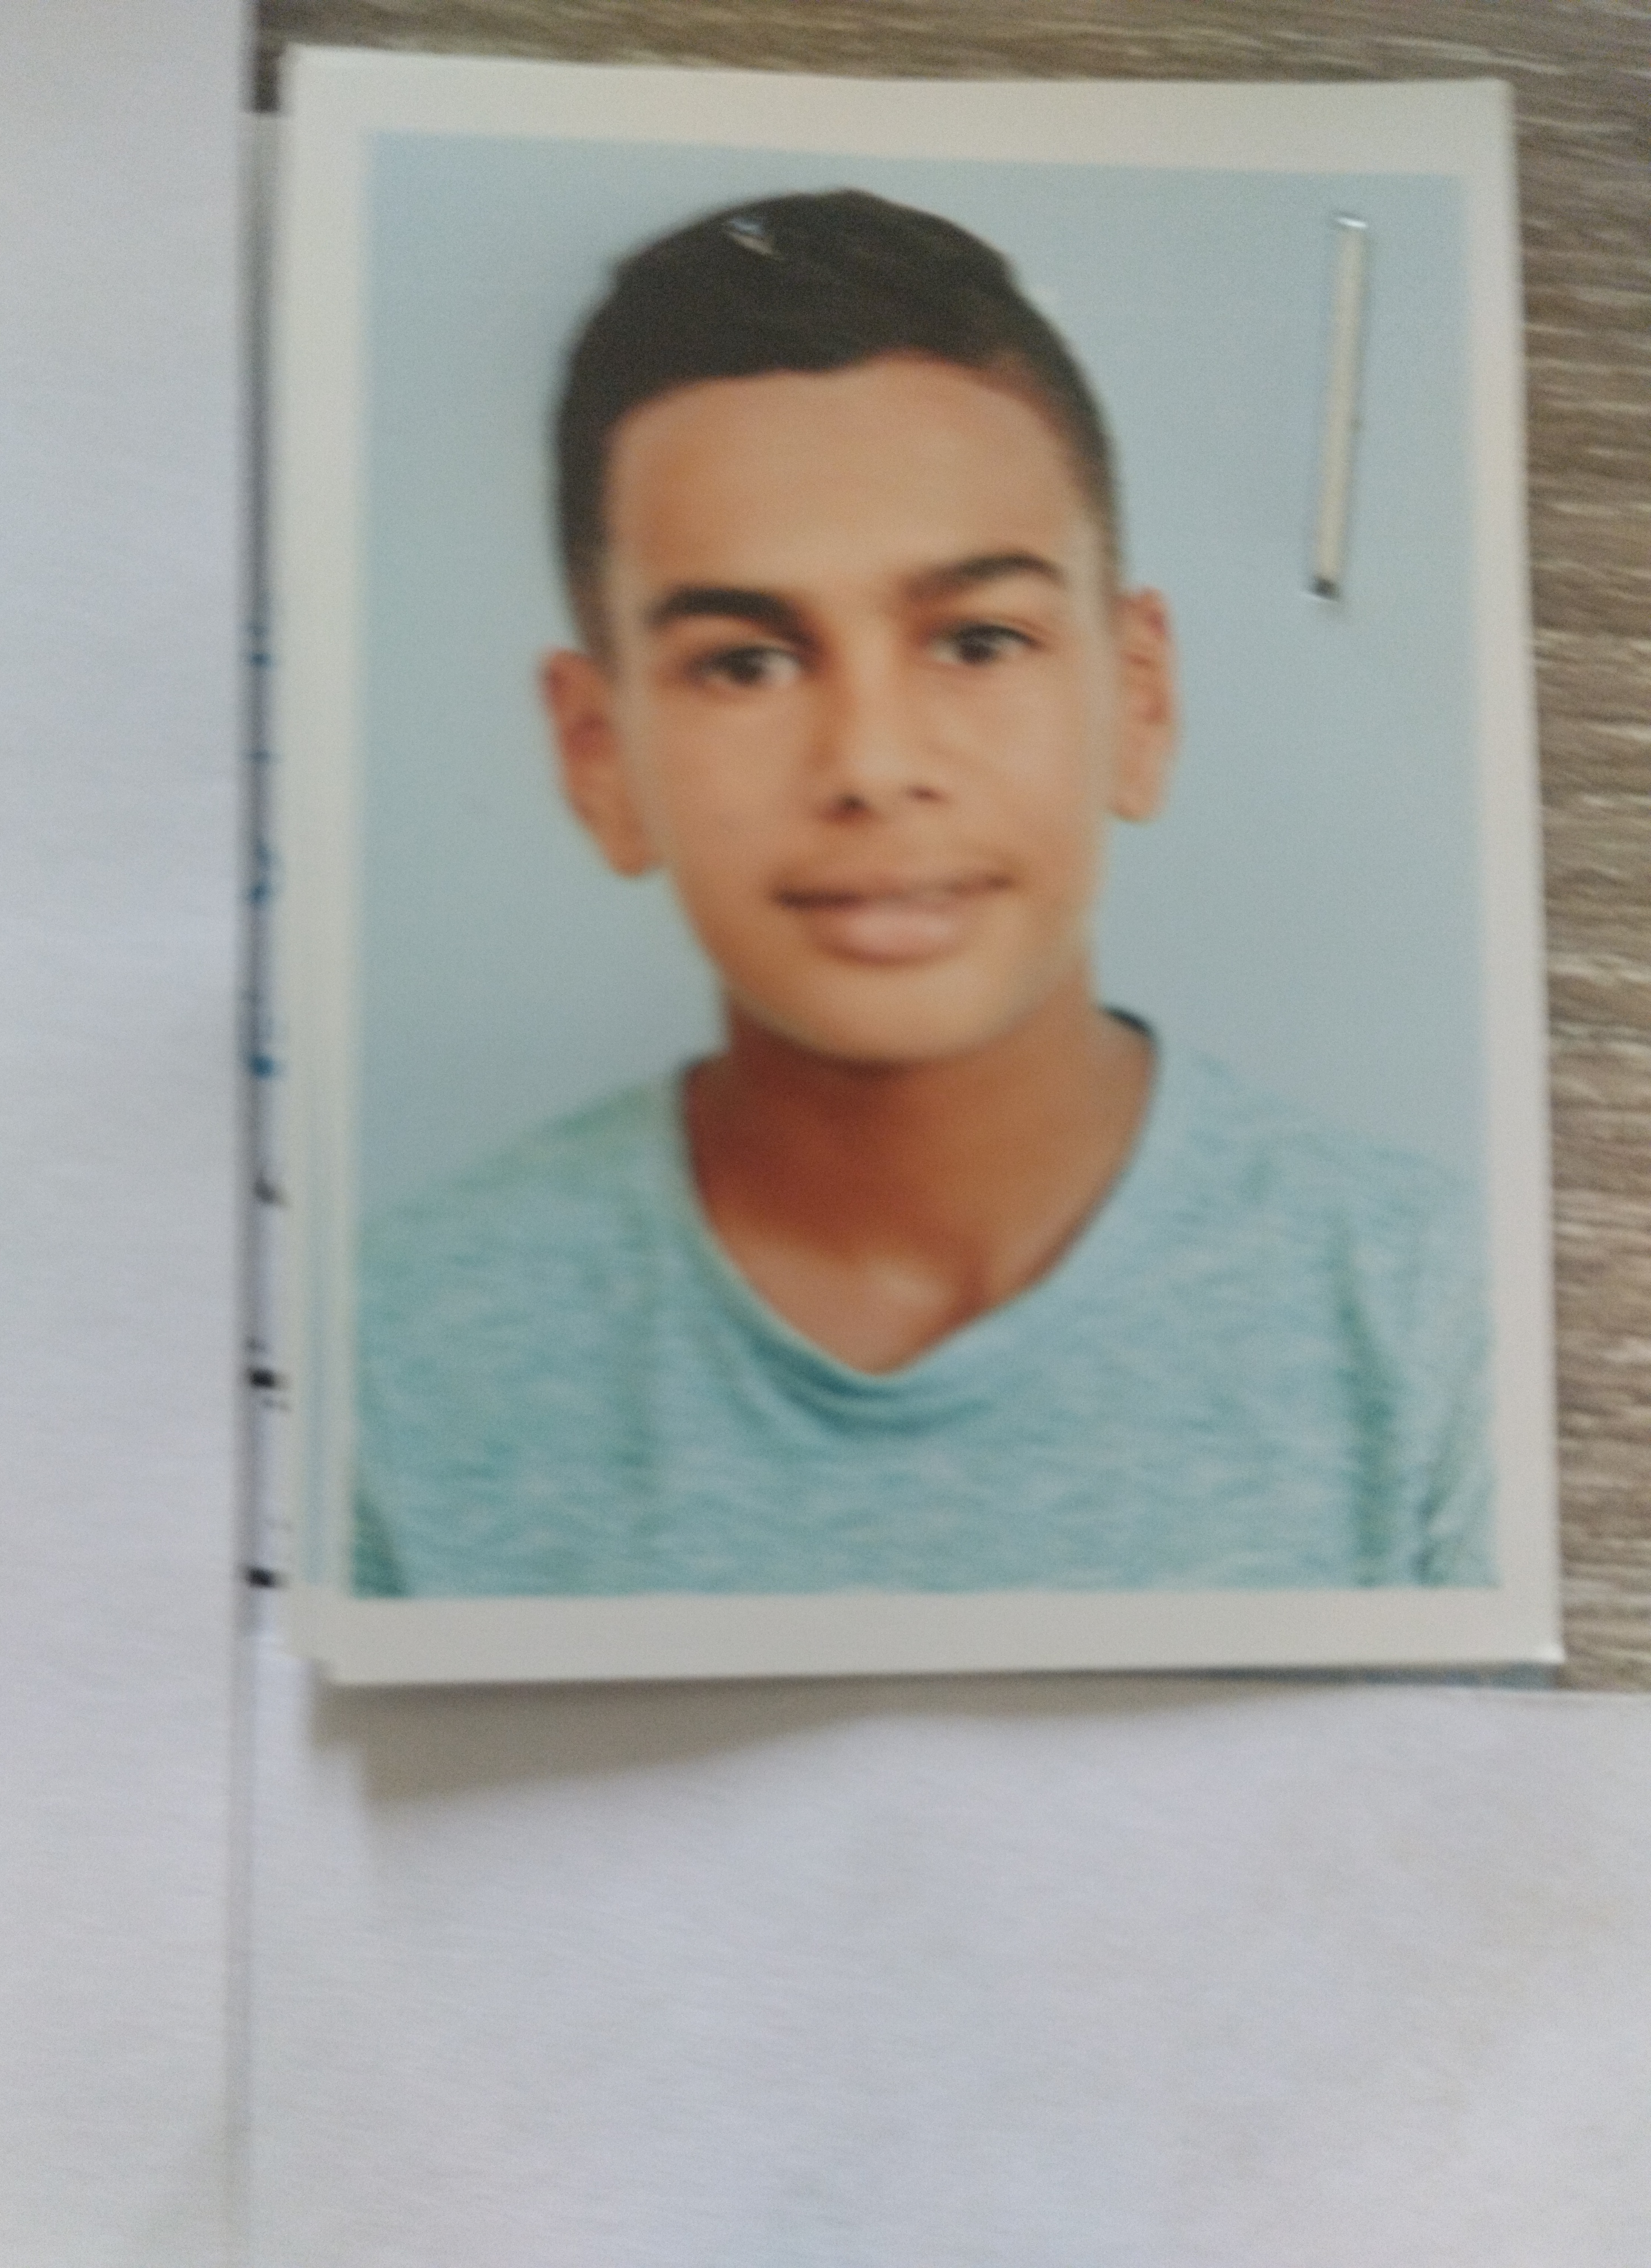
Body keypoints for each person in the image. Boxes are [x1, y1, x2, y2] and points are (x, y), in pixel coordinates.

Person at [353, 189, 1492, 1599]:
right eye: (747, 664)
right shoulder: (391, 1373)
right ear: (599, 756)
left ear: (1138, 700)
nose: (874, 766)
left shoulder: (1439, 1326)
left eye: (977, 641)